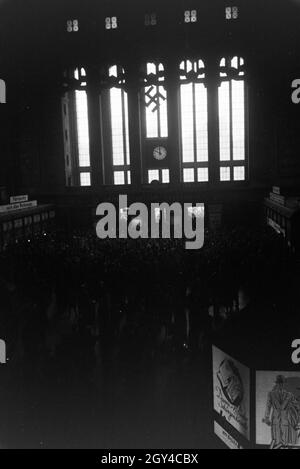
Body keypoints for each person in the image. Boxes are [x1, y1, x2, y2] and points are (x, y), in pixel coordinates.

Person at [263, 375, 300, 449]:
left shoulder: (289, 395)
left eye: (282, 383)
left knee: (284, 442)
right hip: (275, 421)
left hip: (285, 421)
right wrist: (266, 417)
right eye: (279, 383)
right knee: (275, 440)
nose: (280, 385)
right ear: (276, 384)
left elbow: (297, 406)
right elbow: (268, 407)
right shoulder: (271, 394)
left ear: (284, 384)